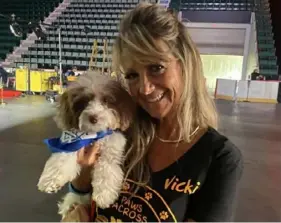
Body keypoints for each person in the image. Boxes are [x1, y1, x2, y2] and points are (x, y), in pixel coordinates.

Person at [61, 3, 243, 222]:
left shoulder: (219, 158)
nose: (145, 88)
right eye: (132, 75)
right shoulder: (120, 131)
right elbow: (81, 196)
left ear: (185, 64)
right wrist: (80, 178)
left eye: (156, 68)